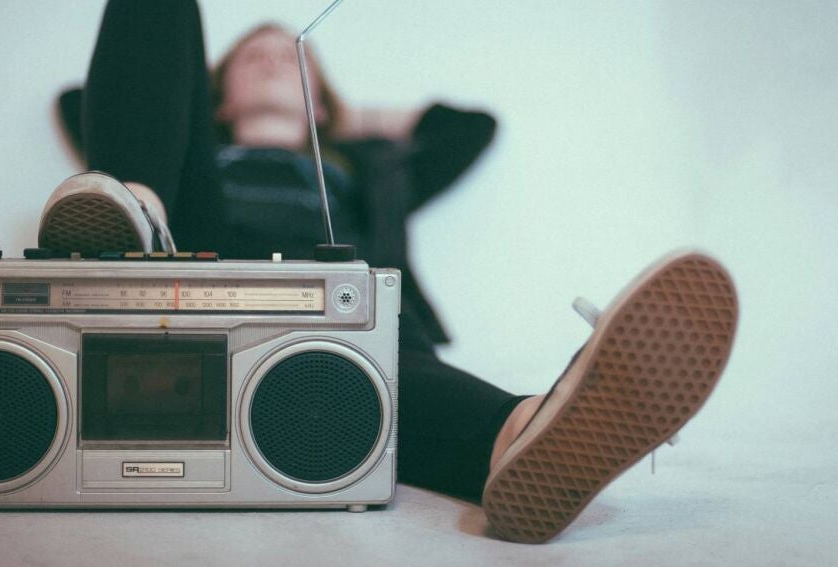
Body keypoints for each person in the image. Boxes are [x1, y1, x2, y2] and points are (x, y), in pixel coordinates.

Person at [39, 0, 739, 543]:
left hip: (340, 314)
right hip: (198, 267)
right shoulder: (196, 158)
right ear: (216, 96)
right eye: (252, 57)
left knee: (381, 347)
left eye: (290, 59)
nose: (272, 62)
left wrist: (343, 117)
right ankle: (137, 209)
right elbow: (86, 100)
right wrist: (179, 127)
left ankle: (525, 432)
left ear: (320, 100)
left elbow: (470, 127)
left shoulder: (371, 169)